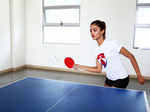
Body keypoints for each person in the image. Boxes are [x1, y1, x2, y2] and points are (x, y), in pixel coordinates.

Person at [74, 20, 144, 88]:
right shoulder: (96, 50)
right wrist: (80, 67)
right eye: (90, 30)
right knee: (104, 97)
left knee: (111, 98)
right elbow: (98, 69)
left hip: (121, 78)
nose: (92, 33)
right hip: (109, 79)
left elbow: (130, 56)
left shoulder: (112, 44)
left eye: (95, 30)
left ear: (102, 31)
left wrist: (138, 75)